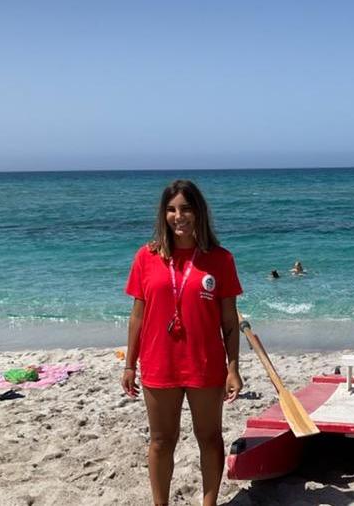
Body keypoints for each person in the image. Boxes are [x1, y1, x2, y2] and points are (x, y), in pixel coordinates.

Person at [121, 180, 243, 506]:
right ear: (164, 214)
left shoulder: (219, 259)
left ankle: (209, 502)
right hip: (160, 362)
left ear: (198, 213)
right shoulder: (146, 257)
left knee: (210, 438)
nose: (179, 216)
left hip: (205, 364)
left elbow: (229, 321)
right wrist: (130, 364)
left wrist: (233, 368)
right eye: (172, 209)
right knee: (161, 441)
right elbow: (137, 317)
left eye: (186, 209)